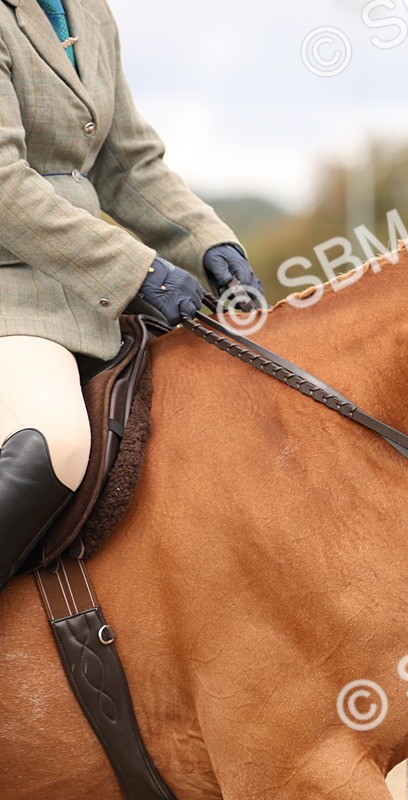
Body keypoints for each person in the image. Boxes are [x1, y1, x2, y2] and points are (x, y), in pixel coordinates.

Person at [0, 0, 265, 591]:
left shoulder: (90, 14)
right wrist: (138, 270)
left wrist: (208, 243)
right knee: (56, 441)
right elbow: (3, 186)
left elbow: (128, 164)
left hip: (84, 296)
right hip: (10, 296)